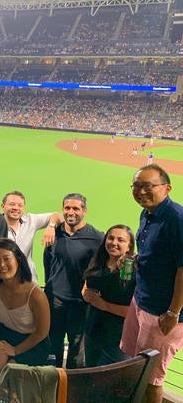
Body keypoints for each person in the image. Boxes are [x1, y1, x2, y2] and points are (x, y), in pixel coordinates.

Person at [121, 165, 183, 403]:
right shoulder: (147, 213)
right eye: (136, 186)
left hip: (162, 313)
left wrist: (173, 312)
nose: (140, 191)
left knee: (152, 376)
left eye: (148, 185)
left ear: (167, 188)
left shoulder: (176, 219)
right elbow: (158, 252)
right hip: (142, 300)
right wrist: (138, 259)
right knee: (134, 362)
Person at [43, 193, 103, 368]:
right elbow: (48, 262)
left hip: (80, 304)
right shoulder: (54, 232)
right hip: (54, 300)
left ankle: (71, 387)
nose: (71, 212)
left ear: (84, 211)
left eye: (76, 208)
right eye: (67, 208)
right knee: (52, 346)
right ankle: (51, 383)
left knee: (76, 351)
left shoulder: (96, 238)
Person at [0, 238, 51, 374]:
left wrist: (16, 350)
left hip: (32, 342)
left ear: (18, 260)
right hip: (3, 333)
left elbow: (42, 332)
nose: (2, 265)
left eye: (7, 258)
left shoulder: (36, 295)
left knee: (11, 373)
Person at [82, 225, 135, 367]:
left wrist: (104, 305)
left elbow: (133, 312)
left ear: (129, 246)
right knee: (91, 374)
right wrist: (85, 293)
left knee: (109, 381)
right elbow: (87, 283)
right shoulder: (98, 261)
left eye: (121, 240)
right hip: (92, 331)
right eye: (110, 238)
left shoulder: (130, 269)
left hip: (116, 339)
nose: (114, 242)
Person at [1, 190, 61, 283]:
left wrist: (51, 226)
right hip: (2, 282)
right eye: (12, 204)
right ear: (2, 206)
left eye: (20, 205)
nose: (16, 208)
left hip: (28, 281)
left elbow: (57, 216)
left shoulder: (31, 220)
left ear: (24, 208)